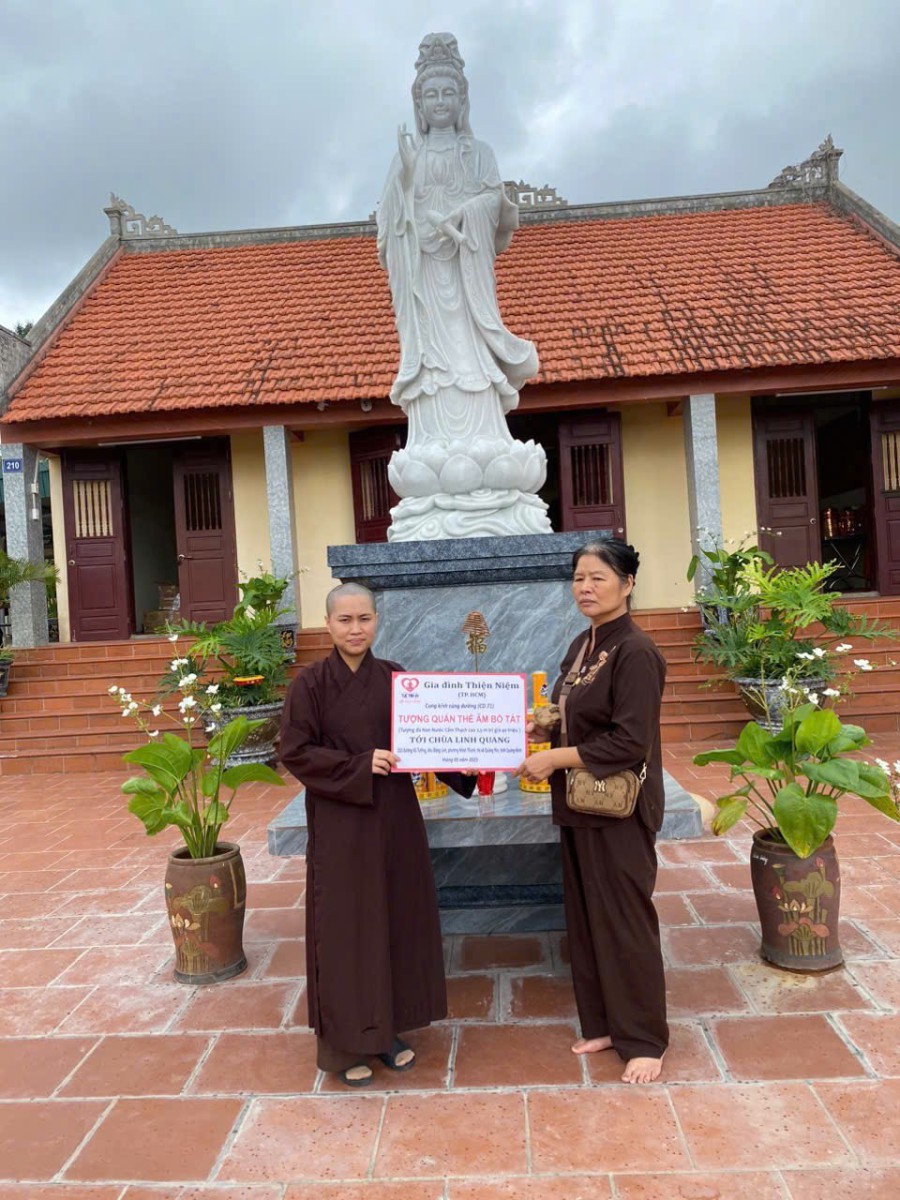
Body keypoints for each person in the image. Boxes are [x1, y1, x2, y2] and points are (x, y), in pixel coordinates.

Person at [279, 581, 475, 1087]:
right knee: (346, 928)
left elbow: (427, 740)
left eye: (364, 618)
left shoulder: (395, 678)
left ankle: (387, 1031)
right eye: (345, 620)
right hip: (341, 822)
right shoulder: (310, 686)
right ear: (328, 624)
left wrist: (470, 759)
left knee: (393, 918)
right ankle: (345, 1044)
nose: (355, 629)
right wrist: (358, 764)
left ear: (376, 620)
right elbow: (295, 752)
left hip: (394, 818)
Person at [376, 31, 550, 539]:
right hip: (426, 285)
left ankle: (485, 445)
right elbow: (389, 228)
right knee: (435, 369)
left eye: (448, 92)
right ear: (418, 103)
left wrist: (464, 214)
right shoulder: (405, 159)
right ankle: (434, 447)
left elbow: (496, 206)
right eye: (430, 94)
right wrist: (407, 190)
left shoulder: (480, 153)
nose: (439, 102)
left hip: (466, 278)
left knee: (470, 360)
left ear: (462, 98)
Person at [515, 537, 669, 1084]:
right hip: (581, 802)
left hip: (619, 810)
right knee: (587, 918)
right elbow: (578, 714)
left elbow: (629, 741)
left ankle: (645, 1039)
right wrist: (546, 728)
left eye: (598, 577)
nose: (585, 587)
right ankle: (605, 1023)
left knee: (625, 920)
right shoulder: (586, 643)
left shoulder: (636, 652)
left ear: (627, 584)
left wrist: (554, 758)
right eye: (579, 577)